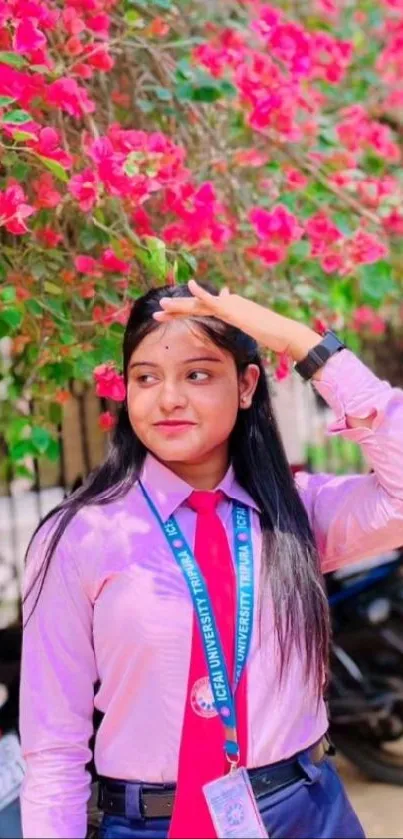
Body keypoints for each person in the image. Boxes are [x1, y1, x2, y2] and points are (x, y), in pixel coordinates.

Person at [20, 280, 403, 839]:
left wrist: (303, 345)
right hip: (152, 824)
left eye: (198, 374)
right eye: (146, 377)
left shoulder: (297, 513)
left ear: (247, 385)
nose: (169, 398)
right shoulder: (82, 536)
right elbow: (54, 748)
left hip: (306, 813)